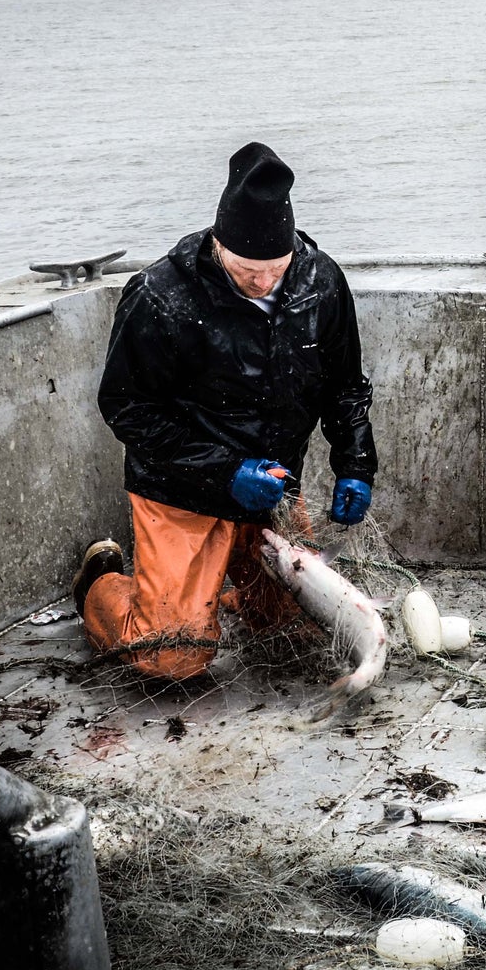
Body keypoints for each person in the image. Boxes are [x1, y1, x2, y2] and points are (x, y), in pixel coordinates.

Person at [75, 142, 377, 678]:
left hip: (272, 488)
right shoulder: (161, 297)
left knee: (297, 630)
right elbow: (124, 407)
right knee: (171, 656)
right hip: (181, 489)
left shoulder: (321, 283)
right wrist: (224, 471)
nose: (263, 283)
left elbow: (345, 386)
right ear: (218, 244)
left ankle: (207, 596)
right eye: (246, 270)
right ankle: (100, 584)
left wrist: (356, 464)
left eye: (275, 269)